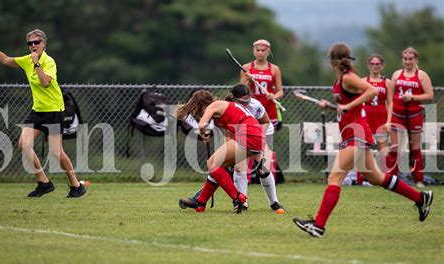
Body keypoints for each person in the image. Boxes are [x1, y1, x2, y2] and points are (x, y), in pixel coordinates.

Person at [293, 43, 433, 238]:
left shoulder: (349, 77)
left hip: (356, 133)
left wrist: (348, 104)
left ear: (333, 60)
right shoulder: (342, 78)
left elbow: (371, 92)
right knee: (375, 177)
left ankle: (318, 225)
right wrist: (332, 105)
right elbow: (348, 106)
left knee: (335, 178)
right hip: (354, 132)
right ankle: (420, 197)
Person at [0, 29, 86, 197]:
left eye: (36, 42)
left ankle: (76, 185)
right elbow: (5, 59)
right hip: (37, 111)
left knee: (56, 153)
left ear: (44, 44)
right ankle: (44, 182)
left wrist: (37, 64)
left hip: (54, 111)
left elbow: (45, 83)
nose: (33, 46)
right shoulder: (27, 60)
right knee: (23, 145)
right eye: (30, 43)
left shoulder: (49, 62)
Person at [179, 84, 285, 213]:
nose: (200, 113)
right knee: (219, 166)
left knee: (212, 163)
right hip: (255, 134)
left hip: (249, 134)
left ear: (201, 104)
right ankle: (200, 202)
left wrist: (203, 132)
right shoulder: (224, 106)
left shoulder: (214, 105)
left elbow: (202, 123)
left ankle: (238, 197)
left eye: (198, 110)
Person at [386, 47, 434, 188]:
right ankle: (393, 179)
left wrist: (412, 97)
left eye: (410, 59)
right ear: (402, 60)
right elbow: (390, 96)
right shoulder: (396, 74)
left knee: (415, 148)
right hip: (397, 114)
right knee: (394, 147)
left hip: (414, 115)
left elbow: (429, 95)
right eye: (405, 59)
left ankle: (418, 179)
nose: (408, 62)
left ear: (415, 60)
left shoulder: (421, 75)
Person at [352, 54, 393, 185]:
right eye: (373, 64)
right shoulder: (363, 81)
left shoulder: (387, 82)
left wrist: (388, 121)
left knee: (383, 150)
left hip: (381, 115)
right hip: (367, 115)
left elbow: (390, 102)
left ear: (382, 65)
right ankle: (360, 179)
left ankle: (386, 179)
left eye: (378, 64)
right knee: (362, 148)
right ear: (368, 65)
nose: (375, 66)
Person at [240, 39, 283, 127]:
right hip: (251, 106)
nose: (260, 52)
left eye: (263, 50)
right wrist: (249, 81)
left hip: (269, 107)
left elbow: (280, 91)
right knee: (252, 137)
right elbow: (240, 91)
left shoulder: (275, 69)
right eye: (258, 50)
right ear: (254, 51)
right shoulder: (246, 67)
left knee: (268, 138)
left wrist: (274, 96)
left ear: (268, 51)